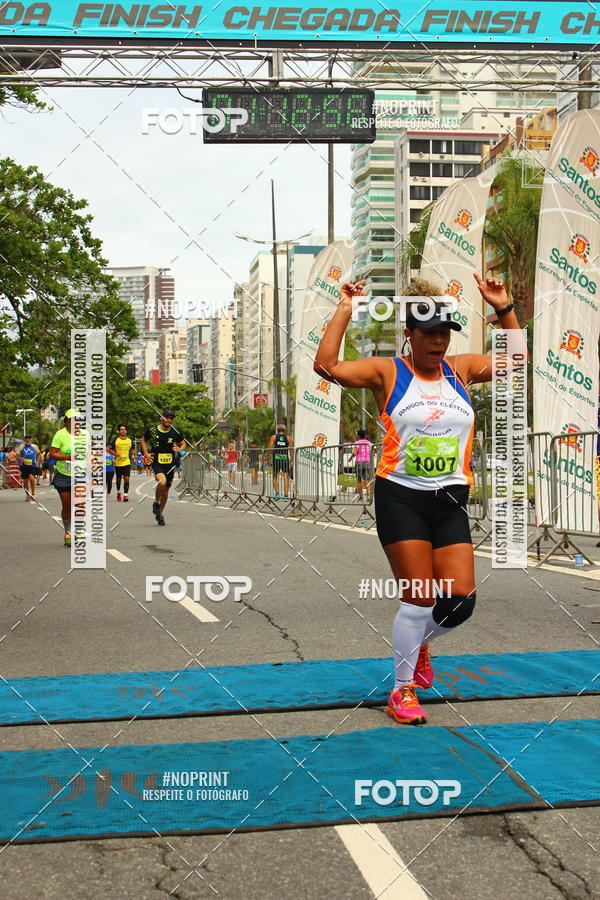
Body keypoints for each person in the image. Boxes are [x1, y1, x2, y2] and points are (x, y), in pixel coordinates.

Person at [315, 274, 526, 725]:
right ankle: (402, 690)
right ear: (409, 334)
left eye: (444, 333)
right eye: (429, 333)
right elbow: (327, 366)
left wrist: (503, 307)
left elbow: (516, 360)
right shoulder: (388, 372)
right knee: (419, 601)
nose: (438, 342)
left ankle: (420, 644)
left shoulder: (460, 370)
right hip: (402, 498)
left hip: (450, 500)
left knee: (460, 602)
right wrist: (346, 307)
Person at [48, 409, 86, 546]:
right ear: (66, 421)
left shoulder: (85, 434)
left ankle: (79, 533)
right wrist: (67, 457)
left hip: (80, 473)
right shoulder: (60, 434)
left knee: (80, 504)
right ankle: (68, 532)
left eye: (78, 419)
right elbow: (52, 454)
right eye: (72, 419)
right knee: (67, 506)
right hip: (63, 474)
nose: (76, 422)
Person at [140, 410, 185, 526]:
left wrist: (179, 449)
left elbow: (183, 443)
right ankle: (156, 502)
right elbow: (143, 440)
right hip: (157, 462)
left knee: (166, 490)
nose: (169, 419)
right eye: (166, 417)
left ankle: (160, 513)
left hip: (170, 463)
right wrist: (146, 453)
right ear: (161, 418)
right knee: (162, 482)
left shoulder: (175, 431)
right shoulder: (153, 430)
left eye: (171, 418)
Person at [269, 424, 292, 499]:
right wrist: (292, 459)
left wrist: (268, 457)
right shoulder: (288, 438)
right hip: (284, 458)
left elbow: (270, 448)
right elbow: (291, 449)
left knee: (275, 476)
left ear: (277, 430)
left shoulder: (274, 437)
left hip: (276, 458)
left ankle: (277, 494)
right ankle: (285, 495)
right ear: (284, 430)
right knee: (286, 476)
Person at [352, 429, 374, 502]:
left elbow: (354, 453)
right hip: (367, 462)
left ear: (358, 435)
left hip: (359, 462)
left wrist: (350, 458)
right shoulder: (369, 443)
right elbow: (373, 453)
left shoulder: (357, 443)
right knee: (366, 480)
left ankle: (361, 497)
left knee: (359, 480)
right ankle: (369, 495)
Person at [112, 424, 132, 502]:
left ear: (126, 431)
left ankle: (126, 495)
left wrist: (133, 454)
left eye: (124, 429)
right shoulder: (115, 440)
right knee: (118, 479)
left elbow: (133, 448)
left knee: (126, 478)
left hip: (127, 462)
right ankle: (118, 492)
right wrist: (115, 454)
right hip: (118, 463)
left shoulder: (129, 440)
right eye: (121, 429)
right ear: (119, 431)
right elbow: (109, 449)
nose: (123, 431)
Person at [18, 436, 40, 502]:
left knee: (32, 478)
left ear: (31, 440)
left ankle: (33, 494)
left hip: (32, 466)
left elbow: (39, 454)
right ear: (24, 439)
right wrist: (20, 459)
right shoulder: (21, 446)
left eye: (29, 438)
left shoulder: (35, 446)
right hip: (24, 466)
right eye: (26, 438)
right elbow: (16, 455)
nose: (27, 440)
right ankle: (27, 495)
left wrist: (37, 462)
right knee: (25, 481)